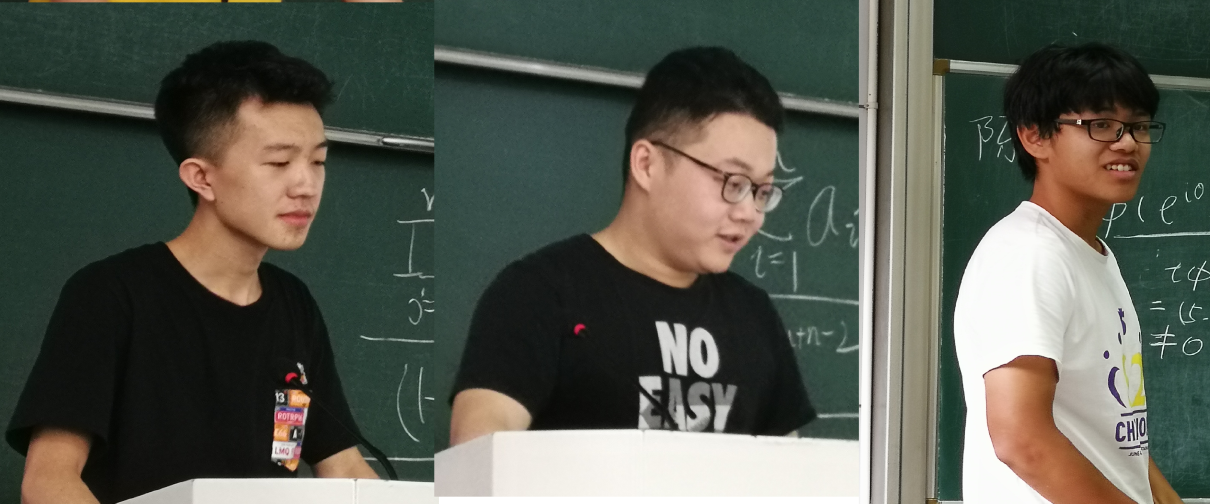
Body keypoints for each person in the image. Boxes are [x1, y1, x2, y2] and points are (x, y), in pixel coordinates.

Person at [8, 40, 377, 504]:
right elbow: (48, 481)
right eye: (279, 162)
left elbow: (343, 466)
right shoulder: (111, 294)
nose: (306, 184)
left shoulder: (294, 304)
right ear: (201, 177)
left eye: (318, 161)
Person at [448, 47, 816, 446]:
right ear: (647, 165)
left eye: (762, 191)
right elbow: (479, 450)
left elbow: (791, 468)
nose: (749, 213)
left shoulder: (753, 317)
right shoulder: (540, 293)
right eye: (733, 182)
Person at [954, 42, 1182, 503]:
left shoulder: (1087, 252)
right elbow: (1021, 439)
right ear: (1034, 136)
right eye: (1101, 124)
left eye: (1139, 126)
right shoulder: (1029, 255)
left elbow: (1113, 431)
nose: (1127, 143)